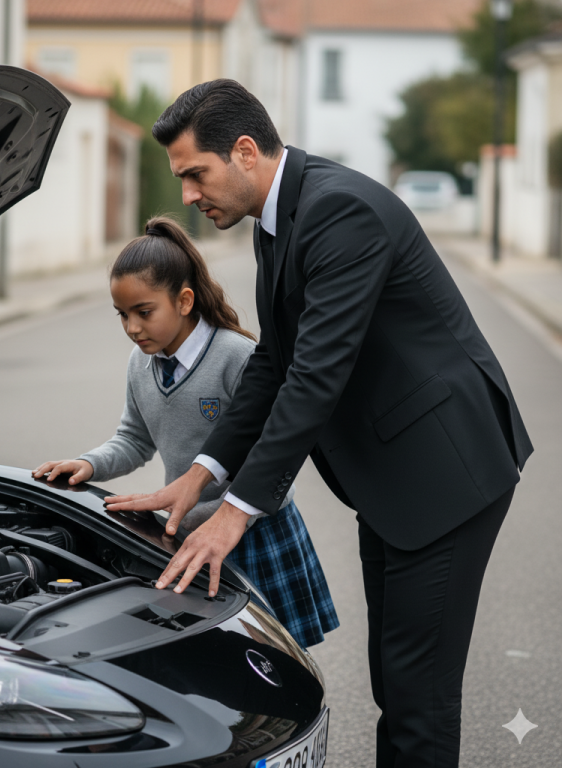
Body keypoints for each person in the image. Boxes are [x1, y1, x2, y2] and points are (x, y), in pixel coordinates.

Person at [103, 80, 533, 768]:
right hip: (392, 478)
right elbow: (274, 361)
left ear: (245, 152)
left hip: (447, 470)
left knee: (418, 698)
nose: (186, 194)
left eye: (195, 174)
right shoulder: (278, 218)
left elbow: (314, 376)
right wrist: (201, 475)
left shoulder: (339, 211)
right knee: (396, 681)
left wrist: (234, 513)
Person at [32, 215, 339, 649]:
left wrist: (218, 515)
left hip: (255, 534)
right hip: (190, 537)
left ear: (184, 301)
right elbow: (134, 439)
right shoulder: (140, 364)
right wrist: (88, 464)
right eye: (122, 315)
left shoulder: (237, 356)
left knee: (277, 658)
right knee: (214, 656)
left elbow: (272, 452)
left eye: (144, 312)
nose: (132, 328)